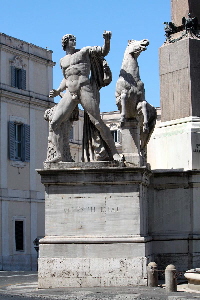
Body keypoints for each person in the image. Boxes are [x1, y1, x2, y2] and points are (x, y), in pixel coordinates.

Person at [49, 32, 121, 161]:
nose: (74, 41)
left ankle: (114, 152)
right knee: (55, 123)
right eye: (71, 40)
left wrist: (107, 40)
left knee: (97, 121)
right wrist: (58, 90)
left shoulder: (84, 51)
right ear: (65, 43)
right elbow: (66, 78)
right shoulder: (62, 61)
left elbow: (103, 52)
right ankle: (59, 154)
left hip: (84, 88)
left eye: (74, 39)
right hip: (69, 93)